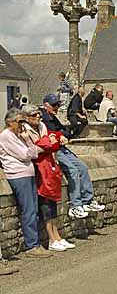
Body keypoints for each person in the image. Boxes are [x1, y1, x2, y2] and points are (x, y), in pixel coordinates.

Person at [41, 94, 105, 218]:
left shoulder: (52, 117)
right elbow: (49, 134)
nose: (57, 107)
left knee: (83, 167)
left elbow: (64, 130)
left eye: (58, 104)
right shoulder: (43, 118)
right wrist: (61, 135)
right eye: (54, 105)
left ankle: (88, 201)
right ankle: (75, 205)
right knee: (73, 170)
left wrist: (61, 134)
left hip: (61, 147)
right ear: (46, 105)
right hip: (54, 150)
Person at [21, 105, 75, 252]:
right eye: (34, 115)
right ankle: (51, 238)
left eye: (38, 114)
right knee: (45, 205)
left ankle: (57, 237)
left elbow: (49, 142)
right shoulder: (25, 131)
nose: (38, 117)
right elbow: (35, 149)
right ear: (26, 117)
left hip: (49, 166)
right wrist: (48, 143)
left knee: (52, 204)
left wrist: (55, 139)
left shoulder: (42, 127)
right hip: (39, 170)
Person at [0, 108, 52, 258]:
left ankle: (35, 243)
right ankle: (32, 246)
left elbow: (32, 151)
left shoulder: (19, 135)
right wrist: (33, 148)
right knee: (28, 209)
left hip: (27, 173)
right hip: (18, 175)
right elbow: (25, 155)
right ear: (10, 123)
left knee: (33, 209)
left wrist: (28, 139)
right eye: (20, 121)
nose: (22, 124)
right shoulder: (6, 136)